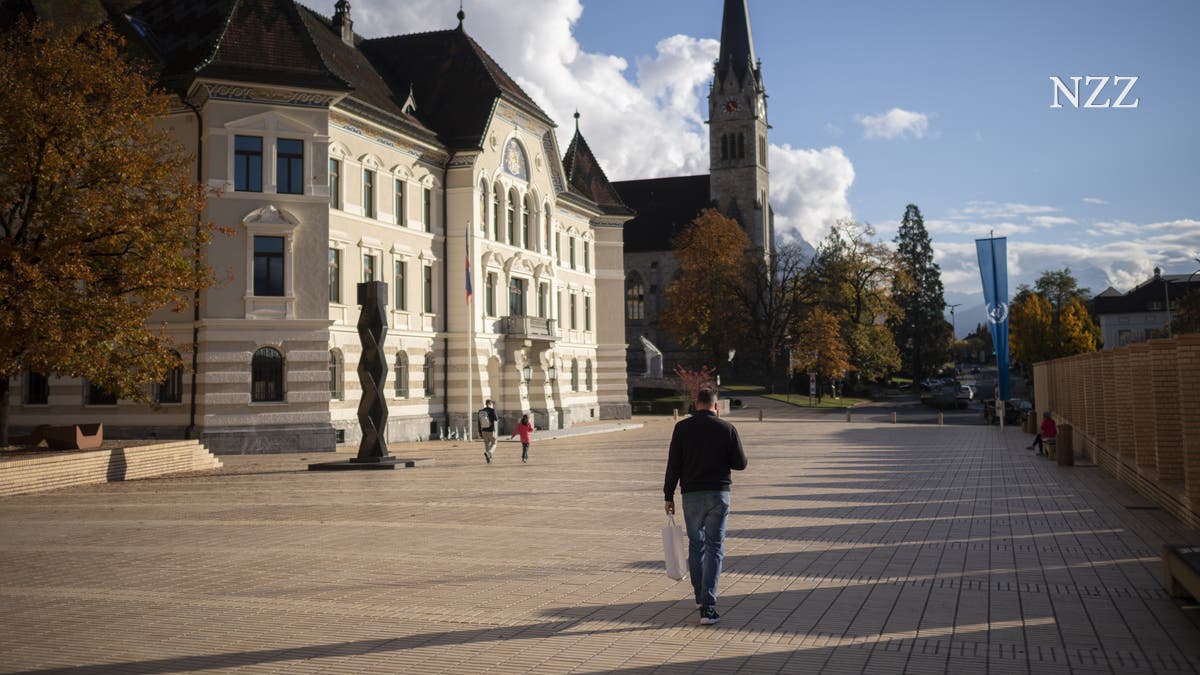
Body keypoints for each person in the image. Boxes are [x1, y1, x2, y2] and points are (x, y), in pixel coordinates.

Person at [663, 387, 747, 626]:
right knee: (715, 547)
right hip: (719, 494)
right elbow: (740, 464)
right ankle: (708, 606)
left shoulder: (682, 428)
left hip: (691, 495)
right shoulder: (727, 429)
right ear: (716, 405)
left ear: (695, 404)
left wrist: (668, 495)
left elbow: (674, 465)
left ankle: (700, 597)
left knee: (696, 545)